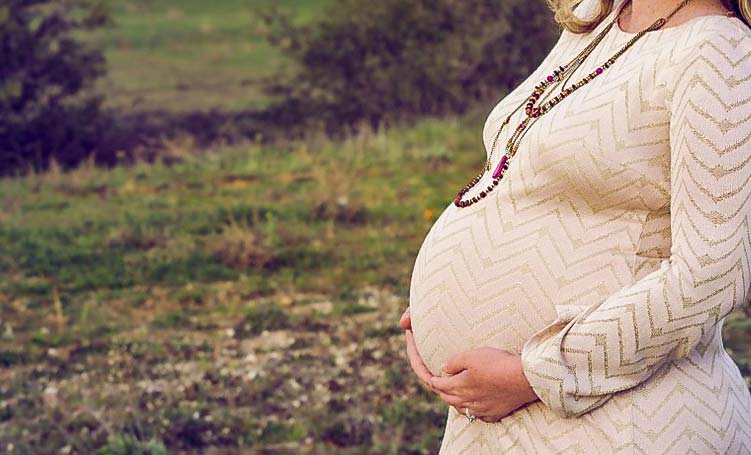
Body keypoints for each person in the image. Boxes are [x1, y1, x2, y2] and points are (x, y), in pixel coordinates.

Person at [400, 0, 751, 452]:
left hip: (620, 422)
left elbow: (713, 274)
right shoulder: (596, 17)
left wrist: (533, 374)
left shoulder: (721, 52)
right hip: (500, 419)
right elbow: (532, 177)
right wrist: (444, 302)